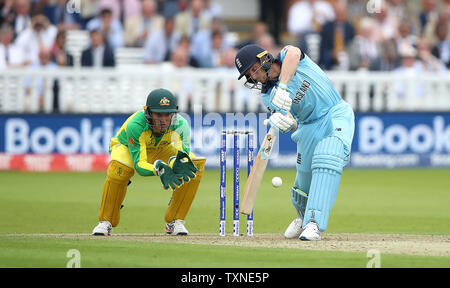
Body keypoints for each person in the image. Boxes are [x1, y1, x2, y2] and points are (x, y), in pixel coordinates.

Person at [234, 44, 355, 241]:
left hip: (334, 113)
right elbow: (290, 122)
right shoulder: (267, 95)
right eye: (249, 75)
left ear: (264, 59)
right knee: (302, 185)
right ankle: (302, 217)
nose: (254, 77)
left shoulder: (287, 56)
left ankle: (314, 223)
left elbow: (294, 53)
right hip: (308, 126)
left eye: (253, 70)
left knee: (328, 156)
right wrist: (285, 122)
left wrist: (282, 85)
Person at [92, 88, 206, 236]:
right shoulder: (136, 126)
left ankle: (175, 221)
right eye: (159, 114)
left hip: (162, 148)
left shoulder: (181, 125)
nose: (163, 120)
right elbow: (139, 165)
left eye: (167, 115)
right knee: (120, 169)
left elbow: (182, 156)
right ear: (148, 113)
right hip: (126, 147)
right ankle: (105, 222)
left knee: (194, 165)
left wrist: (176, 164)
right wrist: (159, 169)